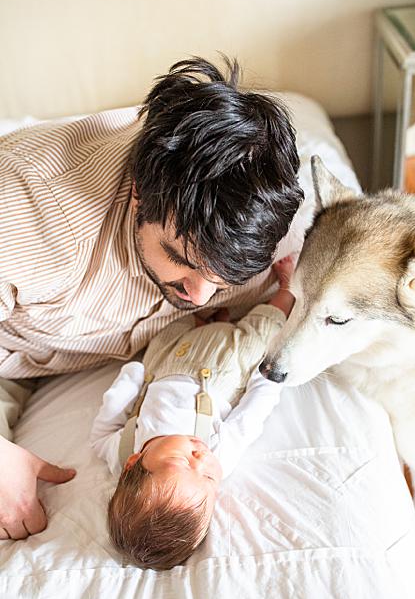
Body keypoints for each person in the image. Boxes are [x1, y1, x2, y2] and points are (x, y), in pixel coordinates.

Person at [0, 56, 304, 540]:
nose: (199, 294)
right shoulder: (33, 213)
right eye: (182, 260)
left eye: (222, 279)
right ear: (140, 194)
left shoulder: (258, 228)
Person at [90, 255, 296, 569]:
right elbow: (250, 417)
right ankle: (287, 290)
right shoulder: (220, 454)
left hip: (166, 361)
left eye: (182, 461)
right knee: (258, 338)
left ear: (134, 463)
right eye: (210, 477)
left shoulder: (120, 451)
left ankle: (207, 316)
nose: (201, 459)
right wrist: (268, 375)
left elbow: (100, 434)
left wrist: (129, 381)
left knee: (166, 333)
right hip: (222, 368)